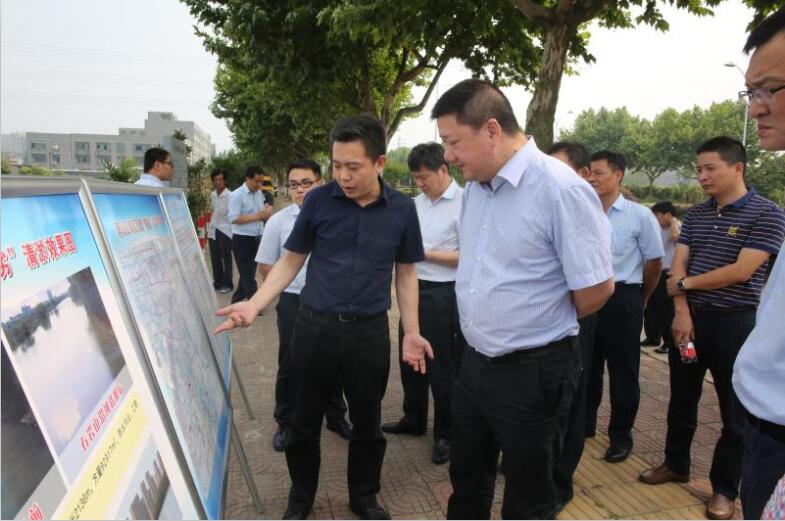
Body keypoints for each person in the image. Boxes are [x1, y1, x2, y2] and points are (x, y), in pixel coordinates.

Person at [214, 114, 432, 521]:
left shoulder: (402, 210)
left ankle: (364, 496)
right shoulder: (318, 201)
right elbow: (291, 260)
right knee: (302, 423)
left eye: (353, 167)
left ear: (379, 163)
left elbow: (406, 273)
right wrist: (254, 303)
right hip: (315, 328)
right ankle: (301, 498)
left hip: (369, 333)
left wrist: (412, 331)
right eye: (336, 165)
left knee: (367, 423)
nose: (343, 176)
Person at [431, 79, 614, 519]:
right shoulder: (476, 189)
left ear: (492, 130)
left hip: (534, 371)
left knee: (529, 493)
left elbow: (597, 288)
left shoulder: (560, 189)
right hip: (474, 362)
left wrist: (536, 319)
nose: (448, 156)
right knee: (467, 478)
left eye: (453, 142)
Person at [639, 136, 785, 520]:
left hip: (735, 323)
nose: (702, 176)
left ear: (737, 168)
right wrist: (681, 310)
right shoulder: (698, 215)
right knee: (681, 399)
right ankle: (676, 463)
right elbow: (678, 264)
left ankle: (724, 489)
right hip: (690, 319)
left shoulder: (766, 214)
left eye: (710, 169)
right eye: (699, 169)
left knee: (734, 411)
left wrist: (684, 284)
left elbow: (742, 271)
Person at [254, 160, 351, 453]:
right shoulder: (278, 222)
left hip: (331, 302)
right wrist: (282, 289)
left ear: (320, 183)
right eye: (294, 184)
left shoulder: (339, 216)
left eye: (306, 183)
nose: (300, 190)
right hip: (294, 301)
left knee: (335, 361)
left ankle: (335, 416)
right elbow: (265, 266)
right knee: (291, 361)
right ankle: (285, 422)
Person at [732, 10, 785, 517]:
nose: (755, 109)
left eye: (769, 89)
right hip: (764, 429)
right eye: (751, 93)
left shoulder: (764, 213)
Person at [382, 142, 464, 465]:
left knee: (442, 366)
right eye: (415, 177)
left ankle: (446, 433)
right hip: (412, 290)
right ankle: (414, 418)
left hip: (444, 293)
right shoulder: (414, 205)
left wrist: (422, 253)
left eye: (424, 177)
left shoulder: (464, 203)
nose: (419, 183)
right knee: (410, 360)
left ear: (443, 169)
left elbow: (469, 255)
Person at [585, 150, 664, 464]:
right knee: (586, 366)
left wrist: (641, 297)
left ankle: (620, 435)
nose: (592, 179)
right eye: (589, 172)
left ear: (618, 175)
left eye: (599, 173)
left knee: (623, 372)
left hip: (623, 297)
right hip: (586, 297)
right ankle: (584, 424)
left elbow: (654, 262)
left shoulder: (639, 215)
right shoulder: (582, 210)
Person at [547, 141, 602, 511]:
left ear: (583, 175)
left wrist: (565, 315)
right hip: (546, 323)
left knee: (571, 400)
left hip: (576, 317)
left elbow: (596, 287)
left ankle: (559, 482)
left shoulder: (585, 214)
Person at [228, 165, 272, 304]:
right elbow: (233, 218)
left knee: (249, 272)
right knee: (247, 273)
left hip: (257, 237)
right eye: (256, 181)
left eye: (261, 182)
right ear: (248, 179)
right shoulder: (237, 195)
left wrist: (265, 213)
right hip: (242, 240)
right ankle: (255, 303)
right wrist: (257, 216)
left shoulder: (258, 193)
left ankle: (236, 299)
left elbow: (261, 212)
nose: (259, 185)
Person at [642, 201, 680, 354]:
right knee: (652, 307)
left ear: (668, 215)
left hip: (669, 273)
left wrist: (674, 221)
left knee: (667, 310)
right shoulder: (657, 228)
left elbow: (675, 236)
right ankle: (653, 337)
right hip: (656, 271)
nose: (655, 219)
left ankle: (668, 342)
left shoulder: (677, 227)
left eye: (657, 215)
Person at [208, 169, 234, 294]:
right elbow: (214, 211)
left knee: (226, 258)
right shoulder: (213, 195)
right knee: (215, 257)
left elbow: (233, 215)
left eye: (220, 179)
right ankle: (217, 282)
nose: (218, 182)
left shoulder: (230, 196)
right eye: (215, 180)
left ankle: (228, 284)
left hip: (225, 231)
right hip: (213, 229)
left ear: (225, 181)